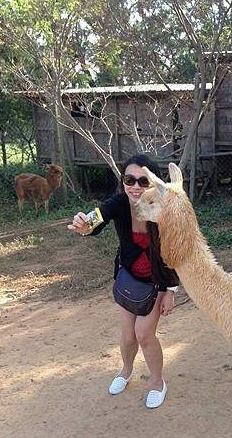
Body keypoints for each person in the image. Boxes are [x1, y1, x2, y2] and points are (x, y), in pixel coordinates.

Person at [67, 155, 179, 409]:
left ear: (153, 184)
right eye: (130, 179)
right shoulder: (118, 203)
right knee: (128, 336)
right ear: (123, 181)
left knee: (144, 334)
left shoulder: (165, 210)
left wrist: (170, 290)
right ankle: (126, 370)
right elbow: (96, 219)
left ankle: (157, 381)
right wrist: (84, 223)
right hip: (128, 278)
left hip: (156, 282)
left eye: (143, 181)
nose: (136, 186)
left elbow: (173, 253)